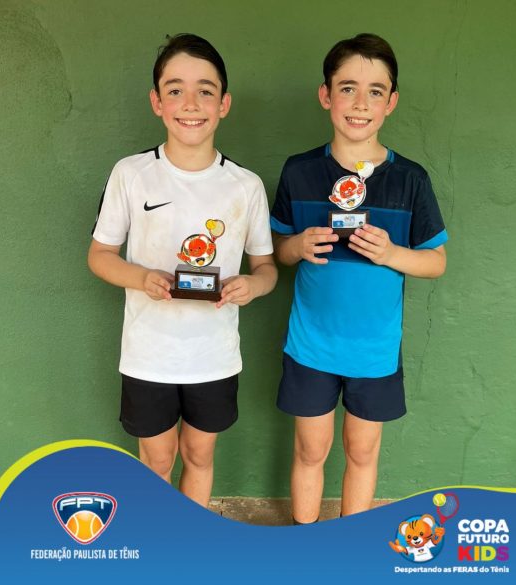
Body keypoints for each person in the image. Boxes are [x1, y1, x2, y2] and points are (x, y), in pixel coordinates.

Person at [88, 33, 277, 507]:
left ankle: (190, 542)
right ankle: (155, 540)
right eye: (175, 90)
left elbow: (267, 268)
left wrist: (252, 286)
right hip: (148, 353)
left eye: (205, 91)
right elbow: (100, 256)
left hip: (214, 356)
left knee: (198, 455)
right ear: (157, 102)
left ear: (224, 104)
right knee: (156, 460)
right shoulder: (131, 174)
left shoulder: (246, 185)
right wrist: (141, 278)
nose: (190, 104)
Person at [270, 33, 447, 523]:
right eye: (347, 88)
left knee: (363, 452)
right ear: (326, 95)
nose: (360, 103)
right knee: (310, 451)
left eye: (375, 91)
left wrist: (391, 253)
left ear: (391, 102)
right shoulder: (299, 171)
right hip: (311, 346)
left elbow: (436, 262)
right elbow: (278, 251)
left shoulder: (410, 179)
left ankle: (352, 548)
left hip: (375, 350)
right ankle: (306, 539)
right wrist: (298, 246)